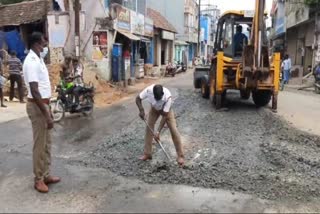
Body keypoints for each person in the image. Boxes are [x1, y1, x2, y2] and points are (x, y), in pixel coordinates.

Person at [23, 32, 60, 193]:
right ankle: (38, 179)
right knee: (39, 145)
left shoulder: (39, 59)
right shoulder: (31, 62)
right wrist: (46, 114)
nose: (45, 46)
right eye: (44, 43)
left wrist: (48, 109)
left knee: (47, 143)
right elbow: (34, 90)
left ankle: (46, 175)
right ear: (37, 44)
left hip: (44, 105)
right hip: (38, 107)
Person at [136, 84, 185, 166]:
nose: (158, 100)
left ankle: (180, 156)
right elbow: (138, 99)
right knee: (149, 127)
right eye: (156, 98)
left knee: (173, 129)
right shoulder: (148, 90)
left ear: (162, 94)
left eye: (159, 99)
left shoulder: (168, 97)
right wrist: (141, 110)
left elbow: (164, 117)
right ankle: (147, 153)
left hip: (166, 111)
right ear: (153, 94)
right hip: (154, 109)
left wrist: (158, 132)